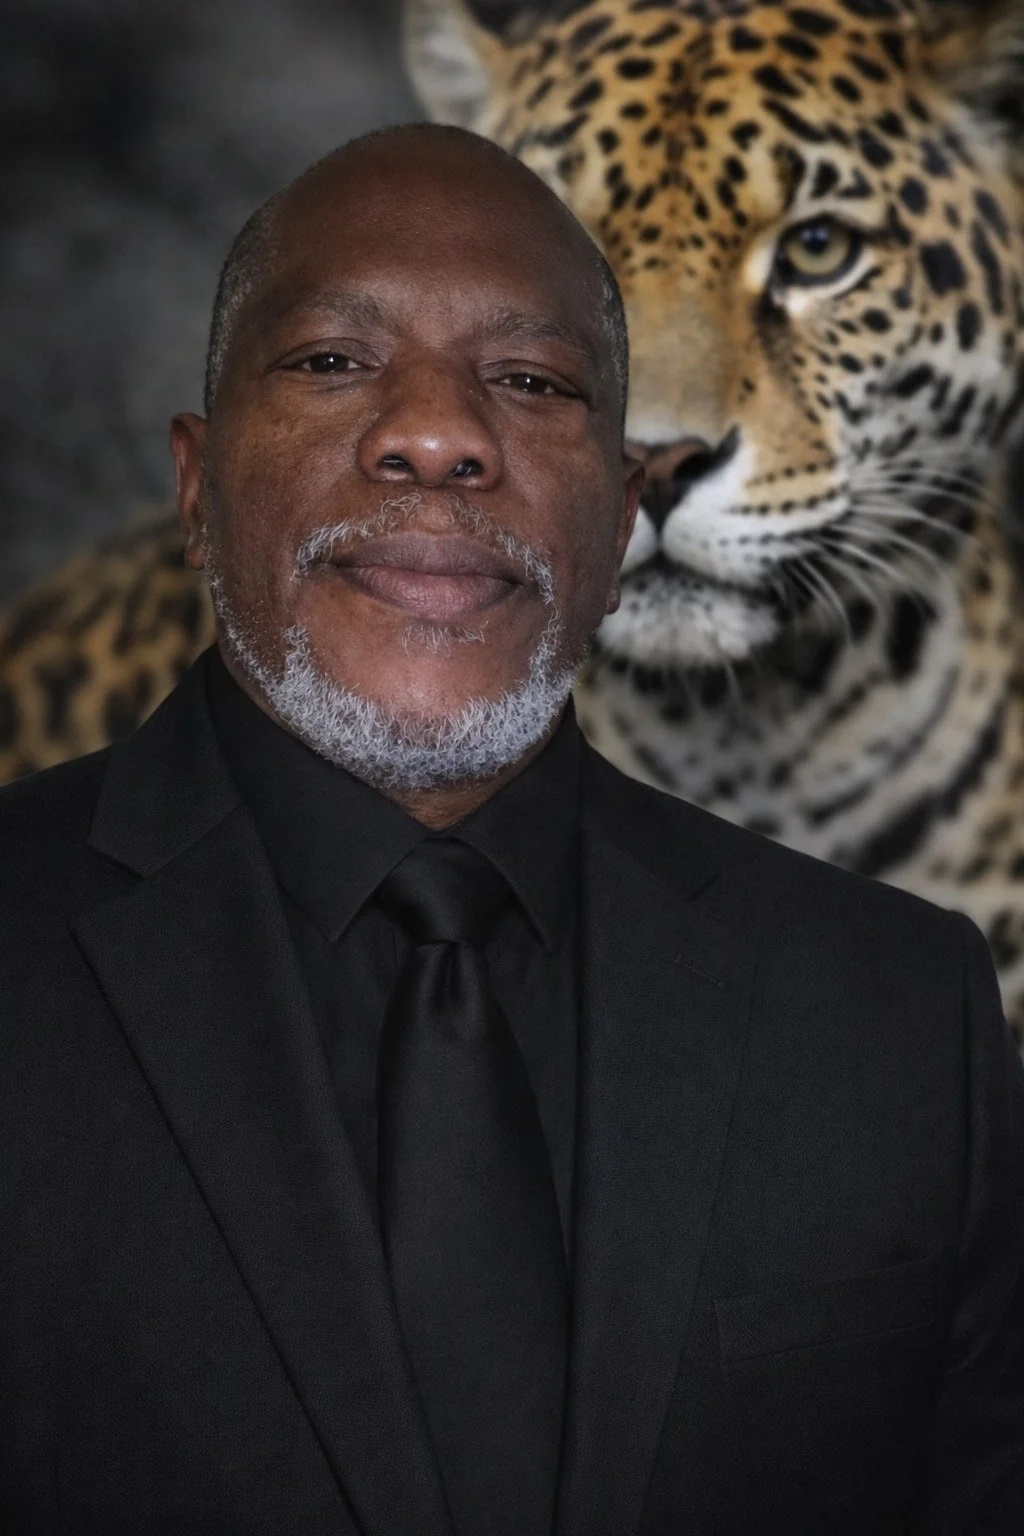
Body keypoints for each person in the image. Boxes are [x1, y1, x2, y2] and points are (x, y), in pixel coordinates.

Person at [1, 123, 1022, 1536]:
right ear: (192, 485)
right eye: (333, 361)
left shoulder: (902, 1011)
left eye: (531, 381)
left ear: (619, 515)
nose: (439, 433)